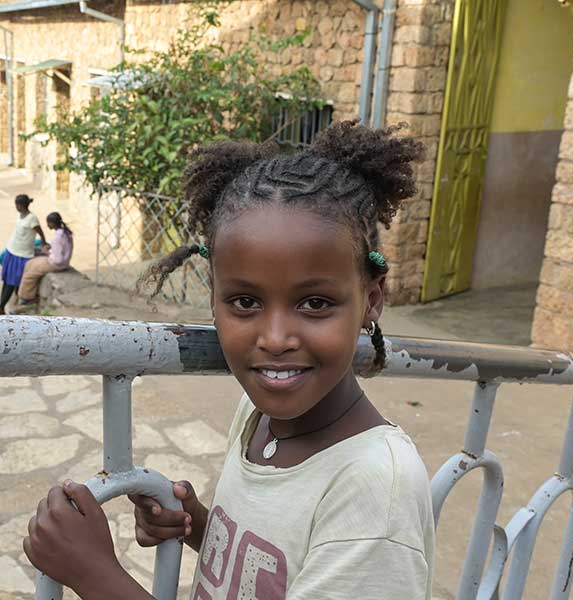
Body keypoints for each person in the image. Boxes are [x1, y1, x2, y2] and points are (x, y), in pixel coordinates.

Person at [22, 121, 435, 599]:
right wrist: (202, 528)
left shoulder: (376, 493)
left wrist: (96, 576)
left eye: (315, 303)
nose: (276, 338)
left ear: (371, 299)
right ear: (213, 298)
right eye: (244, 302)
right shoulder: (260, 413)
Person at [0, 194, 46, 315]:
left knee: (12, 283)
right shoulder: (20, 215)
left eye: (17, 204)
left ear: (21, 205)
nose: (15, 207)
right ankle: (2, 307)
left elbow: (40, 232)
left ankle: (2, 307)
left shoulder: (32, 218)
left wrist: (43, 243)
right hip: (12, 251)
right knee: (8, 281)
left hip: (22, 255)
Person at [18, 212, 73, 306]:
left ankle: (27, 297)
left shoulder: (57, 238)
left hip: (56, 264)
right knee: (30, 264)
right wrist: (51, 250)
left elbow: (58, 259)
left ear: (52, 223)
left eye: (48, 223)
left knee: (31, 273)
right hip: (63, 261)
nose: (47, 225)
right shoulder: (65, 233)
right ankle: (29, 293)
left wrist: (47, 252)